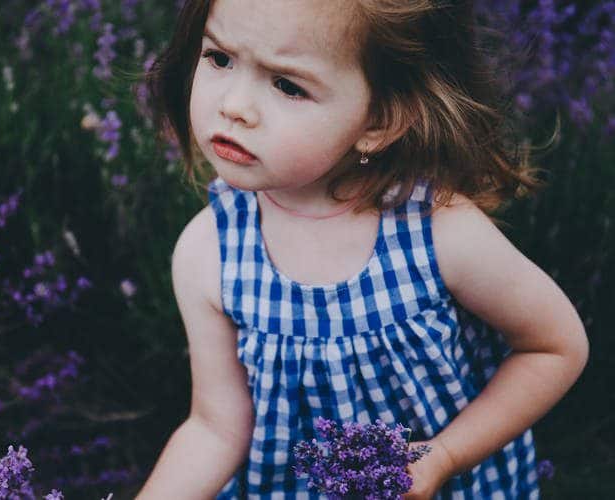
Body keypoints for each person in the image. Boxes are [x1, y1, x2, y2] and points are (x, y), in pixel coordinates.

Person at [135, 0, 589, 498]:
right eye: (220, 58)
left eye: (288, 84)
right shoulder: (210, 254)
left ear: (380, 120)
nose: (234, 106)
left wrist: (446, 456)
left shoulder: (438, 233)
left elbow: (554, 347)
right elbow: (216, 428)